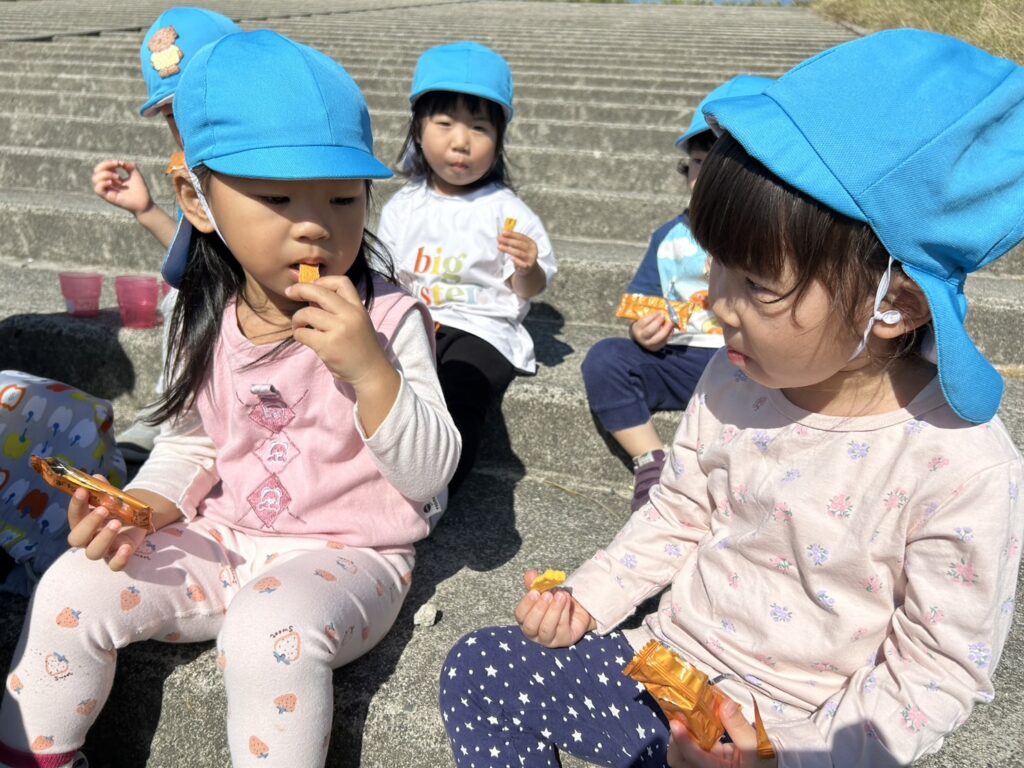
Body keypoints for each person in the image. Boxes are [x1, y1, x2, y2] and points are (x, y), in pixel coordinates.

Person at [439, 29, 1024, 768]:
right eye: (716, 265)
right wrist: (588, 599)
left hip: (792, 731)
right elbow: (679, 511)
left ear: (896, 304)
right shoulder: (736, 374)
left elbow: (935, 670)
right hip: (662, 668)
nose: (717, 302)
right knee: (482, 666)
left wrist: (789, 757)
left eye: (757, 284)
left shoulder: (960, 468)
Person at [0, 30, 459, 768]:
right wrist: (142, 507)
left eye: (345, 197)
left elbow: (430, 473)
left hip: (351, 550)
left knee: (264, 633)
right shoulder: (199, 312)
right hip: (223, 533)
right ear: (196, 199)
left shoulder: (389, 318)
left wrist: (372, 372)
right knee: (71, 583)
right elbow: (189, 443)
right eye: (277, 197)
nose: (316, 224)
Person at [581, 75, 771, 512]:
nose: (708, 178)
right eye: (701, 163)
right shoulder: (670, 238)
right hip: (680, 359)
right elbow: (645, 301)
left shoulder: (771, 237)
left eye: (728, 166)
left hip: (751, 363)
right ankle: (650, 459)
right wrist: (642, 333)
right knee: (606, 359)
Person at [377, 41, 557, 493]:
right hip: (416, 321)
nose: (461, 141)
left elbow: (531, 287)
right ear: (418, 130)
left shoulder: (505, 208)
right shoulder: (405, 204)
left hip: (483, 329)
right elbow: (386, 274)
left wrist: (528, 266)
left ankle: (439, 486)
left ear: (497, 142)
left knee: (461, 386)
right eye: (445, 124)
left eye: (479, 128)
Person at [90, 7, 241, 462]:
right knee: (180, 296)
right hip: (213, 315)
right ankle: (173, 408)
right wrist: (147, 210)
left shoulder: (266, 175)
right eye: (173, 115)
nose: (186, 126)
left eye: (199, 105)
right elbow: (194, 256)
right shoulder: (190, 172)